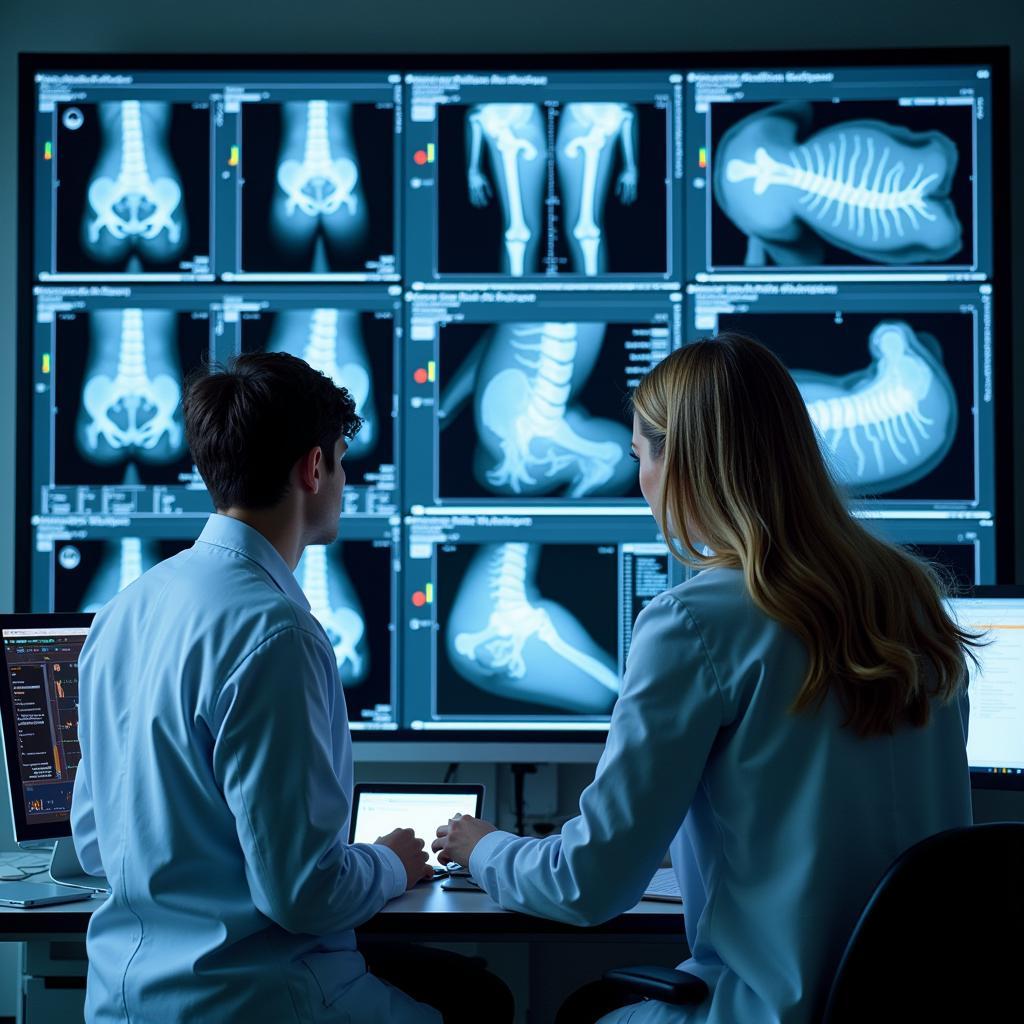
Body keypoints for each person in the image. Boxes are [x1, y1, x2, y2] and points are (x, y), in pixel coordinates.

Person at [433, 334, 978, 1024]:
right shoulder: (914, 601)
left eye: (640, 457)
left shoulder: (695, 618)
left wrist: (483, 848)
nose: (640, 483)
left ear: (682, 463)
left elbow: (587, 884)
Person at [71, 352, 513, 1024]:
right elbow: (303, 897)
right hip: (254, 1002)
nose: (344, 479)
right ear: (313, 468)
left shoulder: (124, 609)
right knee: (484, 1001)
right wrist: (393, 862)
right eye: (341, 458)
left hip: (124, 1002)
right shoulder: (276, 631)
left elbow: (93, 842)